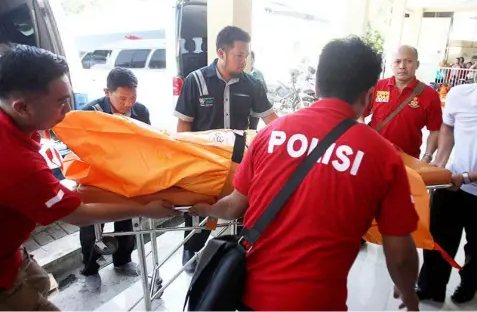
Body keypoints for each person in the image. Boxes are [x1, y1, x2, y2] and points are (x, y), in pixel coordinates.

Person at [190, 36, 420, 311]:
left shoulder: (270, 134)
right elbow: (400, 252)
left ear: (316, 85)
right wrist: (408, 292)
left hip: (251, 297)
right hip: (317, 303)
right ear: (369, 95)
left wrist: (203, 207)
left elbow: (234, 206)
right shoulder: (383, 156)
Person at [0, 45, 178, 311]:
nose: (68, 109)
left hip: (11, 250)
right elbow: (78, 214)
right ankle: (90, 269)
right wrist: (145, 208)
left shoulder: (20, 128)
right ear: (22, 107)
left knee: (39, 282)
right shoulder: (16, 160)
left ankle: (120, 259)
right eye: (60, 102)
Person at [174, 26, 278, 273]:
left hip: (240, 163)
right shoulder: (196, 81)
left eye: (247, 55)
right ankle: (193, 250)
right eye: (239, 55)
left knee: (242, 210)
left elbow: (272, 121)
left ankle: (238, 254)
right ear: (222, 52)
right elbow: (183, 126)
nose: (244, 61)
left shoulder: (252, 84)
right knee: (202, 211)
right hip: (205, 163)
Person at [79, 67, 151, 290]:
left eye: (133, 98)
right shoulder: (90, 112)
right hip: (97, 178)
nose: (129, 103)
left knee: (126, 220)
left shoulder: (141, 111)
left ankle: (123, 261)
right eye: (123, 98)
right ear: (107, 92)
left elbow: (149, 143)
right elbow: (80, 148)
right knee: (92, 225)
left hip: (127, 177)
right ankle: (90, 268)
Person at [416, 83, 477, 304]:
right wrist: (440, 164)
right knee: (438, 239)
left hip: (467, 182)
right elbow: (448, 126)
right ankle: (431, 287)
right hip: (452, 183)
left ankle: (469, 284)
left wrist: (468, 177)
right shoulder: (459, 94)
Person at [363, 45, 442, 162]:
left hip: (407, 159)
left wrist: (427, 156)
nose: (402, 66)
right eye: (397, 61)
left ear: (417, 64)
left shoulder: (430, 95)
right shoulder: (377, 86)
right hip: (373, 153)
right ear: (391, 64)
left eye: (409, 61)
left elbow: (435, 130)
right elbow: (359, 114)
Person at [249, 51, 267, 130]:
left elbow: (264, 90)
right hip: (242, 110)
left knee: (252, 130)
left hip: (254, 111)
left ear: (253, 60)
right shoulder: (238, 74)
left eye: (250, 59)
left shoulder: (258, 73)